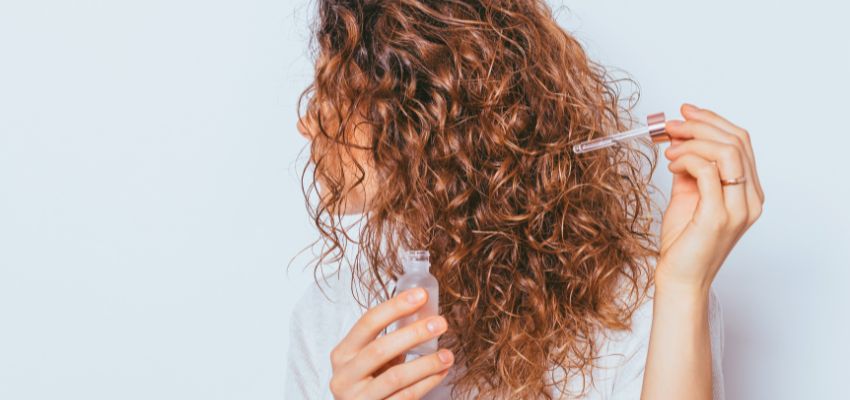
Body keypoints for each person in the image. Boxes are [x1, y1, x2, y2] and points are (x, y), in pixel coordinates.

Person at [286, 1, 764, 398]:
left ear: (422, 119)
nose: (306, 123)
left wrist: (682, 288)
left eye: (334, 91)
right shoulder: (335, 316)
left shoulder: (644, 303)